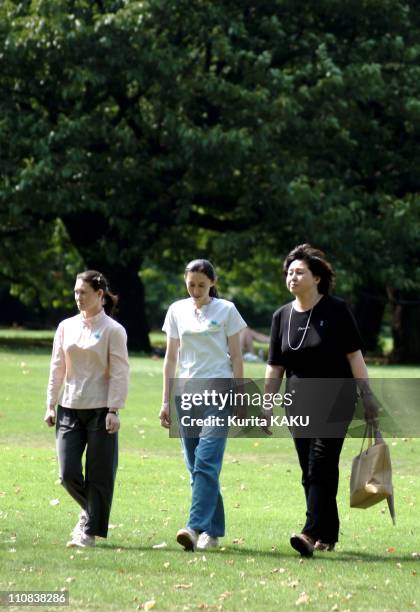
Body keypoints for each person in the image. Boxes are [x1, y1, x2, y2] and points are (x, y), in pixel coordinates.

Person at [264, 244, 378, 557]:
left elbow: (354, 356)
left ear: (316, 278)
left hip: (335, 400)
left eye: (299, 271)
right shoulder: (281, 317)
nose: (292, 276)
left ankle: (310, 533)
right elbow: (275, 366)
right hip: (297, 404)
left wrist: (368, 397)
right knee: (310, 470)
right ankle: (328, 532)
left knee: (321, 465)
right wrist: (266, 403)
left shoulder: (336, 310)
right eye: (289, 272)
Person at [160, 259, 246, 551]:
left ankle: (194, 527)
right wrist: (165, 401)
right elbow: (171, 359)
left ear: (213, 282)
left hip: (219, 392)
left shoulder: (227, 310)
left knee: (207, 462)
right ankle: (214, 530)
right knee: (196, 466)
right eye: (191, 284)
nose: (195, 290)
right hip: (187, 395)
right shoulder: (176, 310)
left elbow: (237, 357)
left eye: (201, 284)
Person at [44, 270, 129, 548]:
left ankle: (88, 533)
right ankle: (90, 512)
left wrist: (114, 409)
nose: (78, 297)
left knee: (99, 474)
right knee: (68, 474)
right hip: (69, 407)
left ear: (99, 295)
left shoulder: (114, 331)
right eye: (76, 292)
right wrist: (50, 404)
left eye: (83, 292)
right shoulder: (65, 326)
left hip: (101, 409)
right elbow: (57, 367)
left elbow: (119, 372)